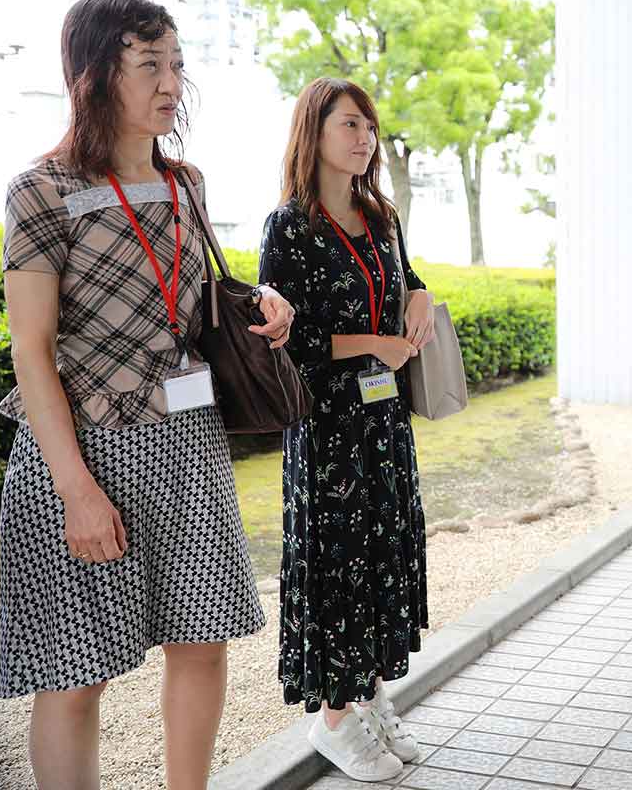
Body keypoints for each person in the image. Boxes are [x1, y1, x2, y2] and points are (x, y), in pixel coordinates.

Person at [0, 0, 292, 789]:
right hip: (85, 451)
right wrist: (77, 493)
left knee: (203, 639)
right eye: (149, 65)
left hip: (188, 444)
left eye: (177, 65)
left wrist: (264, 306)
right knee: (76, 669)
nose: (172, 83)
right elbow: (30, 350)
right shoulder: (41, 191)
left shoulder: (186, 181)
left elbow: (196, 300)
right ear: (94, 75)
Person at [259, 77, 437, 782]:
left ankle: (368, 693)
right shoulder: (290, 227)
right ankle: (332, 718)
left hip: (384, 426)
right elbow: (285, 342)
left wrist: (419, 295)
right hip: (328, 428)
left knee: (381, 556)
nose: (364, 138)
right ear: (315, 132)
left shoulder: (380, 215)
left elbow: (406, 279)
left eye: (368, 126)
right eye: (348, 125)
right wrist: (373, 345)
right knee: (337, 566)